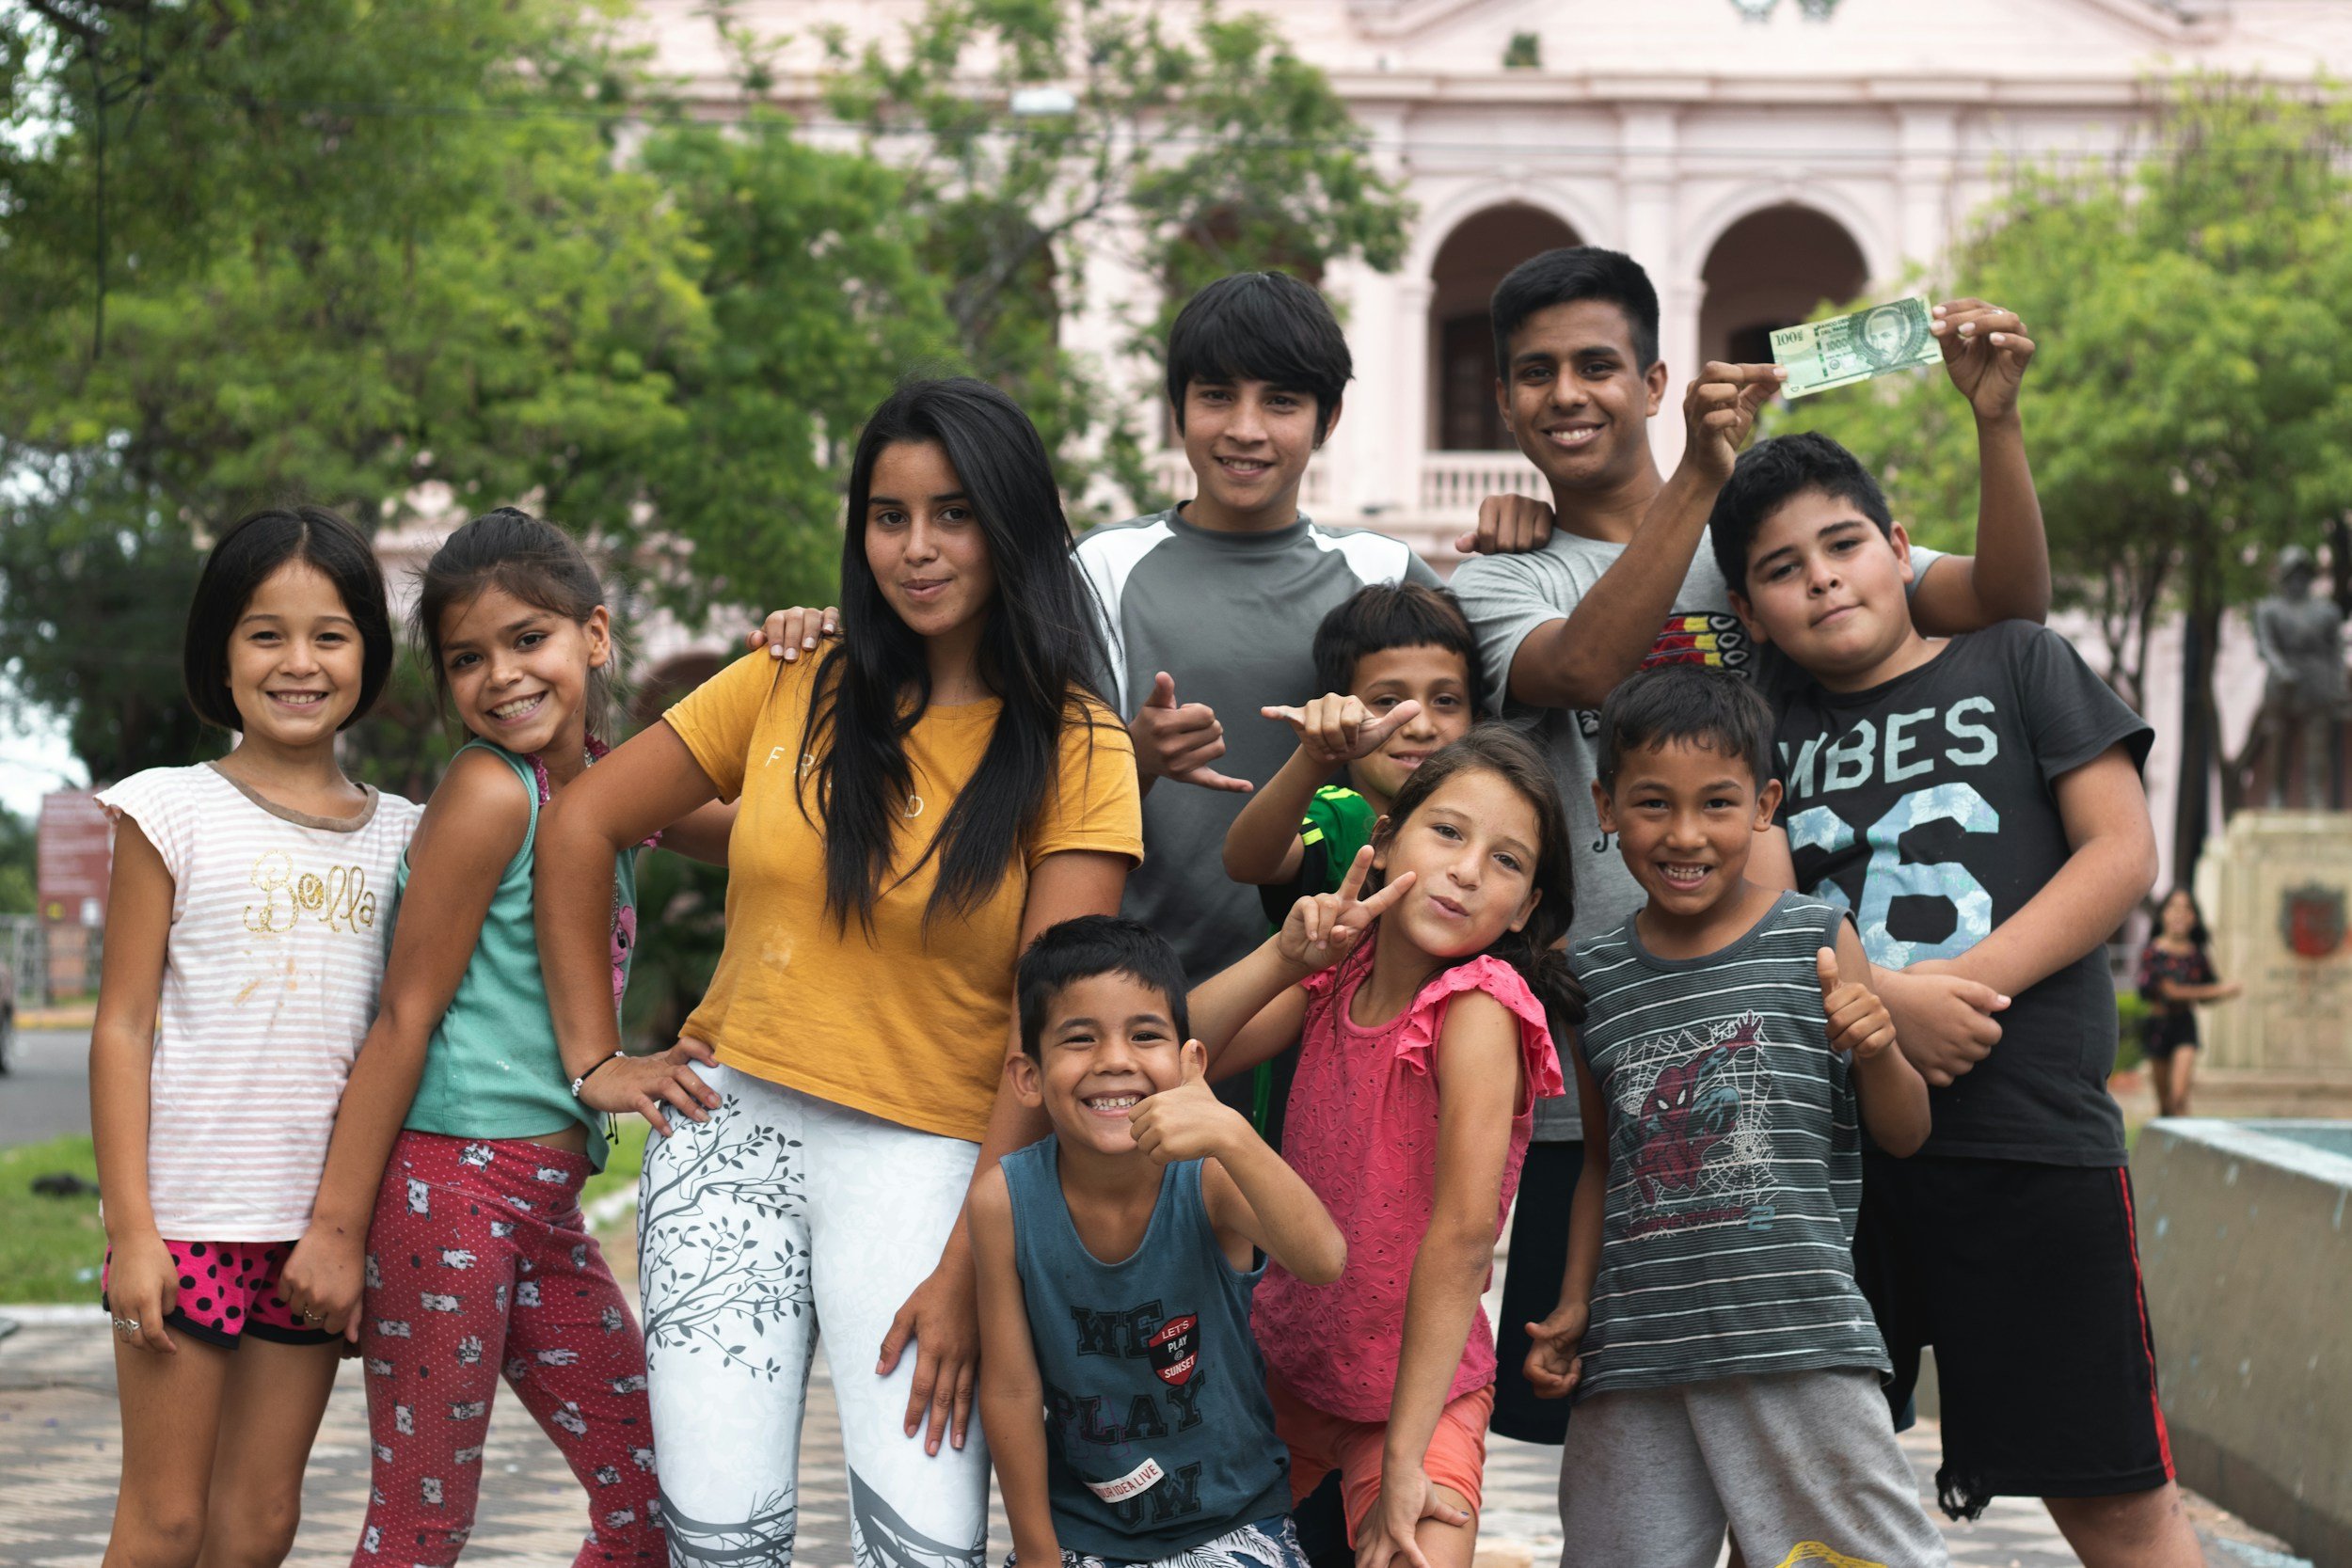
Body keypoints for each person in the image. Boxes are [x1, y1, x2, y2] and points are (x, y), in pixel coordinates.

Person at [533, 377, 1145, 1567]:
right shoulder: (787, 681)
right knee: (716, 1540)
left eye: (953, 514)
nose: (916, 549)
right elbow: (579, 820)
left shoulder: (1076, 743)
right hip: (724, 1142)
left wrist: (976, 1256)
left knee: (919, 1546)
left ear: (1012, 523)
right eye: (888, 514)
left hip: (928, 1174)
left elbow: (1058, 1025)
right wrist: (594, 1055)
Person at [1448, 245, 2053, 1443]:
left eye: (1596, 366)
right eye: (1534, 374)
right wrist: (1696, 481)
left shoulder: (1777, 551)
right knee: (1610, 1438)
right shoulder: (1501, 575)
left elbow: (2003, 596)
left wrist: (1997, 425)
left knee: (1769, 1426)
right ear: (1506, 400)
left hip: (1782, 1066)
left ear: (1656, 378)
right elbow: (1577, 667)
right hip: (1600, 1078)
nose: (1567, 394)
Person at [1711, 429, 2197, 1565]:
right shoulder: (1756, 723)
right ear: (1749, 605)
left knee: (2114, 1495)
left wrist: (1949, 989)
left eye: (1842, 544)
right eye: (1783, 568)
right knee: (1791, 1508)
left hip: (2026, 1143)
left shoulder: (2020, 659)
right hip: (1824, 1169)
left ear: (1896, 547)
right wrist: (1881, 1003)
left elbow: (2120, 853)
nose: (1822, 576)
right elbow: (1747, 905)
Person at [272, 509, 739, 1565]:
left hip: (543, 1209)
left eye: (529, 639)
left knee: (652, 1500)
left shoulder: (615, 786)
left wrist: (798, 675)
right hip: (447, 1194)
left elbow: (774, 834)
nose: (502, 677)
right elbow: (407, 1013)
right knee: (422, 1522)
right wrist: (338, 1228)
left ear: (596, 636)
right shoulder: (492, 791)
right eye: (467, 658)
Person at [1519, 666, 1943, 1567]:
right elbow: (1603, 1162)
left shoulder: (1816, 939)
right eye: (1651, 804)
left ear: (1763, 803)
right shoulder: (1591, 977)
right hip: (1635, 1352)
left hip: (1797, 1337)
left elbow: (1904, 1133)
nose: (1684, 834)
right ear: (1604, 805)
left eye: (1717, 802)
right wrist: (1572, 1302)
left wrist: (1879, 1048)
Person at [89, 506, 421, 1568]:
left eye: (330, 633)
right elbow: (123, 1024)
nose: (299, 661)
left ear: (367, 652)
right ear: (220, 656)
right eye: (264, 632)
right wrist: (132, 1229)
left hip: (316, 1238)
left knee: (260, 1521)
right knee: (167, 1519)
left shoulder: (411, 834)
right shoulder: (168, 810)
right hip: (185, 1222)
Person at [1185, 726, 1574, 1568]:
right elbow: (1179, 1051)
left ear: (1528, 907)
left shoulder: (1481, 1004)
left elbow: (1466, 1233)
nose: (1470, 870)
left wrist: (1405, 1456)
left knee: (1417, 1550)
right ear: (1387, 837)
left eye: (1507, 861)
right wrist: (1284, 956)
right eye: (1448, 832)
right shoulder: (1337, 975)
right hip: (1285, 1368)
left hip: (1417, 1396)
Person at [1073, 272, 1444, 999]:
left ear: (1328, 418)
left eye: (1281, 400)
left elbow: (1474, 747)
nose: (1246, 427)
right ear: (1176, 408)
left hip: (1344, 991)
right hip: (1139, 990)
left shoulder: (1386, 569)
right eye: (1217, 395)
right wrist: (1136, 758)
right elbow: (1036, 784)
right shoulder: (1102, 568)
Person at [975, 915, 1346, 1568]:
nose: (1114, 1060)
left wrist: (1230, 1132)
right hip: (1081, 1534)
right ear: (1028, 1076)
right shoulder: (1003, 1201)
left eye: (1144, 1035)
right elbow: (1009, 1388)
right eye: (1079, 1038)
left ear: (1189, 1062)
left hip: (1235, 1524)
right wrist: (1035, 1549)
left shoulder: (1209, 1179)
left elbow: (1322, 1259)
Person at [1219, 583, 1483, 1141]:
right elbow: (1247, 860)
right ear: (1338, 707)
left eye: (1446, 700)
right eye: (1388, 701)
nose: (1420, 723)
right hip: (1309, 1125)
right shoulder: (1340, 815)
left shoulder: (1483, 840)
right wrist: (1316, 758)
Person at [2137, 888, 2240, 1118]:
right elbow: (2170, 992)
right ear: (2163, 913)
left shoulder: (2197, 955)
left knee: (2179, 1097)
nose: (2179, 914)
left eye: (2186, 909)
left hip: (2184, 1025)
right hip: (2158, 1026)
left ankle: (2184, 1149)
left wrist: (2220, 993)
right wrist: (2221, 989)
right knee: (2164, 1105)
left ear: (2194, 917)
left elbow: (2206, 996)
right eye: (2173, 907)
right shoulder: (2153, 952)